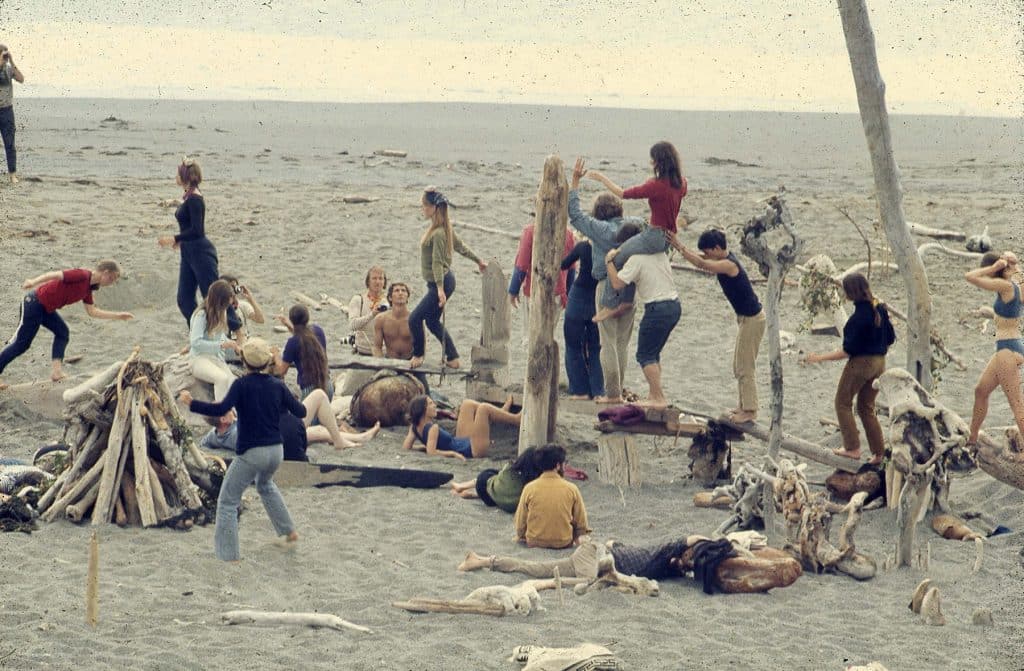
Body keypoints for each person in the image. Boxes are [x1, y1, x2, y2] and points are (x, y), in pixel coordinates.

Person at [179, 338, 304, 562]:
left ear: (244, 362)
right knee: (265, 485)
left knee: (227, 501)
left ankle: (229, 557)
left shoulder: (241, 385)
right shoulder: (277, 385)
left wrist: (192, 403)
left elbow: (221, 409)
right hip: (276, 451)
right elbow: (301, 411)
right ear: (267, 361)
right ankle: (288, 532)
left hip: (252, 452)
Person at [458, 533, 802, 594]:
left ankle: (485, 560)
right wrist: (714, 544)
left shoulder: (668, 565)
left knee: (538, 569)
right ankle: (486, 560)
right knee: (576, 582)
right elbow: (691, 539)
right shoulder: (668, 548)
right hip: (598, 557)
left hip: (599, 553)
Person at [567, 157, 646, 404]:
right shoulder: (635, 225)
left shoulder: (600, 229)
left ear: (599, 213)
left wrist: (575, 181)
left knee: (607, 342)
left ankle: (612, 394)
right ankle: (619, 390)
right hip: (631, 286)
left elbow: (575, 215)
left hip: (607, 285)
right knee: (622, 343)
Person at [667, 229, 765, 423]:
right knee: (738, 365)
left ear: (718, 248)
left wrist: (679, 245)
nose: (708, 255)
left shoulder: (729, 265)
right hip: (745, 319)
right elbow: (703, 257)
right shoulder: (722, 257)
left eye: (709, 251)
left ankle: (751, 411)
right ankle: (743, 405)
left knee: (746, 366)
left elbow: (702, 263)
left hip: (753, 319)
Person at [583, 141, 687, 321]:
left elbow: (622, 193)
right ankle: (625, 302)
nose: (651, 163)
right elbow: (674, 204)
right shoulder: (682, 183)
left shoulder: (655, 185)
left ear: (659, 162)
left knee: (616, 257)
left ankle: (609, 305)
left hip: (653, 236)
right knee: (629, 258)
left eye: (653, 160)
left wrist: (601, 178)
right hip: (667, 239)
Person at [804, 273, 897, 465]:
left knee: (842, 403)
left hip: (861, 364)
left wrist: (818, 358)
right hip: (880, 362)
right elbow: (890, 338)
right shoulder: (879, 307)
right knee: (866, 407)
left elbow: (847, 351)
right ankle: (879, 453)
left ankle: (852, 447)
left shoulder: (857, 319)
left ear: (850, 293)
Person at [0, 261, 133, 389]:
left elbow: (92, 311)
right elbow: (55, 274)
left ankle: (56, 373)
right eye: (111, 278)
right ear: (105, 272)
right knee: (21, 344)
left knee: (62, 333)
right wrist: (33, 281)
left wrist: (118, 316)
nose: (111, 283)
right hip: (33, 303)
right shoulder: (82, 275)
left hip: (46, 309)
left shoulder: (89, 288)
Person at [409, 187, 487, 369]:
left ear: (434, 208)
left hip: (441, 281)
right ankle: (452, 357)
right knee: (432, 321)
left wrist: (440, 290)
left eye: (425, 206)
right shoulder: (443, 228)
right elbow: (461, 246)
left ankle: (418, 355)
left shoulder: (438, 233)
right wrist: (478, 261)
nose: (423, 209)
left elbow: (437, 262)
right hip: (441, 281)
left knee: (414, 319)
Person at [605, 224, 681, 409]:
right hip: (674, 305)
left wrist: (608, 262)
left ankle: (658, 397)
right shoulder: (659, 254)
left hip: (657, 307)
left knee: (645, 355)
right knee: (654, 354)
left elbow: (616, 283)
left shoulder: (636, 259)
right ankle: (655, 394)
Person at [199, 388, 381, 455]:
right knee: (318, 395)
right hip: (279, 437)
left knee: (317, 431)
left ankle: (359, 438)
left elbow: (204, 442)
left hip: (280, 438)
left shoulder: (216, 435)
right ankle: (342, 441)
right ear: (223, 419)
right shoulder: (237, 433)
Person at [965, 251, 1024, 444]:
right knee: (980, 390)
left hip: (1008, 349)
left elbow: (970, 277)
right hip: (1010, 347)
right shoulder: (1016, 283)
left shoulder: (1005, 286)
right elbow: (1017, 269)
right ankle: (972, 438)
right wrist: (1011, 263)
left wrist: (993, 267)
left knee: (1016, 404)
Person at [159, 158, 220, 327]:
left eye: (178, 173)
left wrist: (175, 238)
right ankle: (198, 330)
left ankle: (232, 331)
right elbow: (190, 227)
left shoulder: (194, 199)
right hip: (189, 251)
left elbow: (197, 230)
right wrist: (181, 240)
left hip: (200, 252)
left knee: (212, 296)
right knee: (184, 299)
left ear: (185, 176)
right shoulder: (188, 196)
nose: (175, 176)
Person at [508, 220, 575, 345]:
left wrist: (513, 290)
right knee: (548, 336)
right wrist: (569, 294)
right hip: (558, 293)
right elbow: (572, 268)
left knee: (531, 337)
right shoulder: (568, 234)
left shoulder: (530, 232)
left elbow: (521, 265)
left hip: (534, 292)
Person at [513, 444, 590, 549]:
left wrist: (521, 536)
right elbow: (581, 522)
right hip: (563, 542)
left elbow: (520, 522)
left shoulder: (529, 488)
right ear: (558, 466)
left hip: (534, 541)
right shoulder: (571, 488)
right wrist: (579, 535)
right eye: (564, 464)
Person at [402, 394, 521, 460]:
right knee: (483, 408)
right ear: (423, 410)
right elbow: (431, 452)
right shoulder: (433, 428)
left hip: (460, 442)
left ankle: (500, 413)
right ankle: (516, 420)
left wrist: (423, 446)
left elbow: (406, 447)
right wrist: (452, 454)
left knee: (467, 404)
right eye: (431, 403)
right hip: (472, 450)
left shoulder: (414, 428)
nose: (435, 405)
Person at [561, 232, 603, 399]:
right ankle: (598, 390)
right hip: (597, 298)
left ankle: (580, 390)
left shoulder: (584, 247)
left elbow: (564, 264)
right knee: (595, 347)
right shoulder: (610, 248)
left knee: (573, 346)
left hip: (578, 297)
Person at [449, 446, 543, 513]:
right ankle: (474, 495)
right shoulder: (533, 482)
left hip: (484, 490)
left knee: (490, 474)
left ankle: (462, 486)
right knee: (501, 488)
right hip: (497, 502)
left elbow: (500, 479)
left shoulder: (510, 470)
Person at [189, 279, 238, 401]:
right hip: (199, 358)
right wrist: (221, 345)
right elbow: (195, 343)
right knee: (221, 378)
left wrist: (234, 346)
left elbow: (220, 337)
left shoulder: (222, 312)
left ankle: (235, 414)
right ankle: (221, 414)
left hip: (216, 358)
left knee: (234, 384)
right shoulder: (202, 315)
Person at [274, 304, 331, 400]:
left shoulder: (292, 342)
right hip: (327, 384)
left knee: (306, 414)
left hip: (310, 390)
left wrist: (276, 355)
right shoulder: (318, 330)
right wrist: (289, 326)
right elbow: (305, 337)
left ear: (292, 320)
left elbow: (281, 371)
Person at [347, 266, 389, 355]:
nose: (377, 282)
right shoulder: (358, 300)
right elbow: (352, 325)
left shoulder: (389, 302)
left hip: (384, 353)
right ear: (368, 282)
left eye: (380, 278)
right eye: (374, 278)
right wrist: (372, 314)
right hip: (363, 351)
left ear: (384, 282)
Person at [0, 44, 25, 184]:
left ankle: (12, 174)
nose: (5, 56)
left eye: (6, 54)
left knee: (10, 144)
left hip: (6, 111)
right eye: (2, 54)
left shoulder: (9, 70)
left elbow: (21, 79)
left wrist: (12, 62)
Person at [220, 274, 265, 346]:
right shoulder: (218, 309)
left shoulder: (242, 306)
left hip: (244, 345)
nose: (234, 289)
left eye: (235, 286)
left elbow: (260, 320)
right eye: (231, 287)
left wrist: (251, 299)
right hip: (227, 345)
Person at [373, 282, 413, 359]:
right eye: (397, 291)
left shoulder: (414, 319)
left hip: (410, 362)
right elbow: (377, 347)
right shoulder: (381, 319)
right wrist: (381, 362)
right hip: (389, 361)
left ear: (407, 297)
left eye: (403, 291)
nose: (400, 293)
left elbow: (421, 347)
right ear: (390, 298)